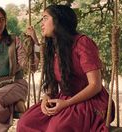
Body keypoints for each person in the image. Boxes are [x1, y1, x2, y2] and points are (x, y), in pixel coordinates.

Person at [17, 4, 115, 132]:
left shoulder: (82, 43)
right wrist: (46, 98)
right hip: (64, 99)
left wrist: (67, 103)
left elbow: (95, 85)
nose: (42, 23)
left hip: (90, 101)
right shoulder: (52, 47)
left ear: (58, 21)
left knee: (56, 128)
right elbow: (53, 84)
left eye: (45, 18)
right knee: (25, 122)